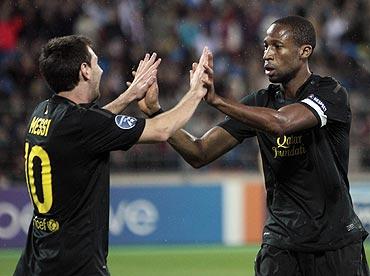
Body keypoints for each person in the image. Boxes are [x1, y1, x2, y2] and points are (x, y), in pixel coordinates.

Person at [139, 16, 370, 275]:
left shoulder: (331, 93)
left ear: (304, 51)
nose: (267, 55)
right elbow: (199, 152)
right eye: (265, 46)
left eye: (277, 46)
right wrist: (156, 112)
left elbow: (282, 122)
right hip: (282, 245)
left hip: (336, 243)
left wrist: (217, 101)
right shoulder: (259, 102)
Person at [14, 35, 209, 276]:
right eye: (96, 63)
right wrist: (196, 92)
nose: (101, 70)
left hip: (36, 261)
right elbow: (162, 130)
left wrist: (128, 96)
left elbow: (91, 128)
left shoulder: (43, 112)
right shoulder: (83, 125)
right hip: (75, 265)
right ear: (84, 70)